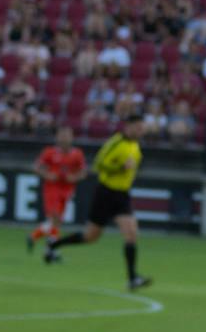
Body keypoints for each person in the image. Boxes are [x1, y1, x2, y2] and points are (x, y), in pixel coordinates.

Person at [44, 114, 151, 291]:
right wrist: (120, 168)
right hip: (106, 193)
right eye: (138, 127)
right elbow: (98, 165)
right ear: (129, 126)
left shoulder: (135, 146)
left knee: (131, 233)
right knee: (91, 237)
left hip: (122, 195)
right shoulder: (116, 143)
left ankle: (132, 279)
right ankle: (53, 245)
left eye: (142, 128)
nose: (141, 131)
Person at [28, 125, 85, 252]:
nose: (64, 138)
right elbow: (37, 167)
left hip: (67, 190)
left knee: (57, 221)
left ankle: (34, 236)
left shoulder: (77, 154)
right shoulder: (49, 152)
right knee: (55, 217)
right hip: (52, 188)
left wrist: (73, 178)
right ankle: (52, 249)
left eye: (67, 135)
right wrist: (48, 175)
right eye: (62, 135)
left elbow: (82, 172)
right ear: (57, 137)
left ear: (72, 137)